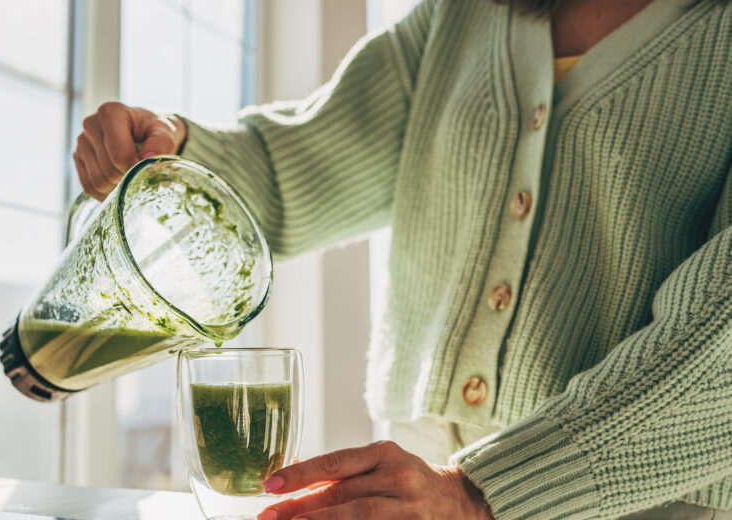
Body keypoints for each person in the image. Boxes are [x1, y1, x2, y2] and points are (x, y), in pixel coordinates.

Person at [74, 0, 732, 518]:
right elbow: (288, 177)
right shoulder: (462, 16)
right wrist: (172, 153)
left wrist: (482, 495)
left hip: (638, 501)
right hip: (411, 492)